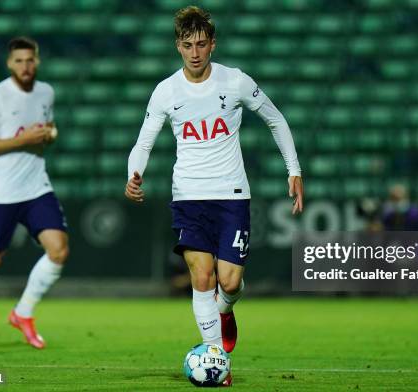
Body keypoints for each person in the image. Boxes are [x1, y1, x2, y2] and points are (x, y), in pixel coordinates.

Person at [124, 6, 304, 385]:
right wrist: (134, 174)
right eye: (187, 45)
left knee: (231, 282)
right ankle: (217, 362)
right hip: (188, 196)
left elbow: (275, 119)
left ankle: (226, 310)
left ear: (212, 44)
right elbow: (143, 142)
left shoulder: (235, 81)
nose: (194, 52)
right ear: (177, 46)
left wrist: (294, 170)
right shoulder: (166, 91)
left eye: (201, 44)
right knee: (202, 277)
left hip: (231, 195)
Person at [0, 37, 68, 352]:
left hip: (36, 186)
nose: (25, 66)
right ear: (9, 64)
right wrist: (23, 140)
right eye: (19, 61)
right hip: (2, 191)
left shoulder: (46, 92)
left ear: (37, 61)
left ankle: (23, 313)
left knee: (58, 250)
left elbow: (48, 129)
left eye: (30, 60)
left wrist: (50, 134)